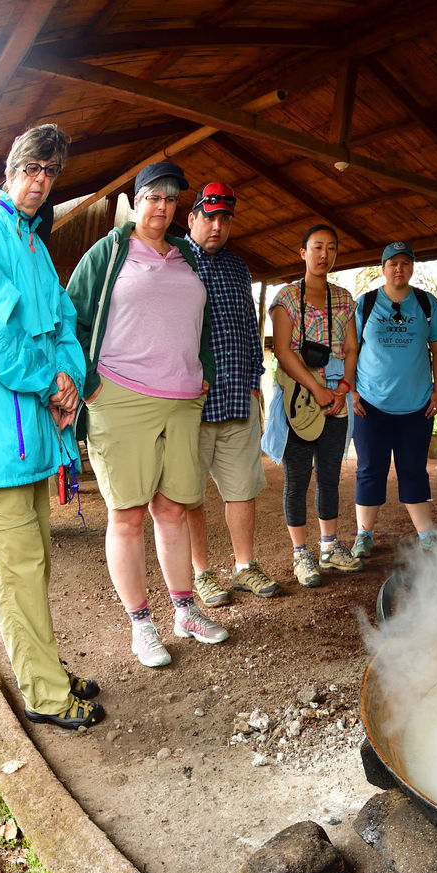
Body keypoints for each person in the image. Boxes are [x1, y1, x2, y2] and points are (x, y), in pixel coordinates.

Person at [0, 123, 106, 731]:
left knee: (34, 558)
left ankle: (45, 666)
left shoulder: (35, 245)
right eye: (32, 168)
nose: (40, 181)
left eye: (49, 173)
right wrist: (50, 382)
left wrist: (68, 377)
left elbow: (65, 321)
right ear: (11, 169)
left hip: (34, 433)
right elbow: (1, 340)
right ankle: (41, 693)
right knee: (15, 567)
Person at [68, 160, 228, 668]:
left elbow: (201, 316)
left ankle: (184, 610)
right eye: (153, 197)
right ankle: (141, 623)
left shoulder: (187, 255)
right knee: (128, 514)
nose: (162, 206)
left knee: (175, 508)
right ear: (136, 201)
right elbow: (72, 314)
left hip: (182, 399)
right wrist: (88, 385)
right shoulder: (111, 250)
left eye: (170, 198)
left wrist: (203, 364)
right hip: (122, 395)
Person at [182, 183, 281, 607]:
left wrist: (256, 378)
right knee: (188, 492)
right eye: (209, 217)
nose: (217, 226)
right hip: (192, 402)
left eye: (224, 219)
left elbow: (247, 326)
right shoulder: (175, 261)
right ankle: (201, 572)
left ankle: (244, 567)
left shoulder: (239, 267)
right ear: (192, 219)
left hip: (238, 397)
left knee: (243, 488)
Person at [262, 224, 364, 585]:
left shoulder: (344, 298)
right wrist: (316, 388)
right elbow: (282, 350)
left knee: (330, 476)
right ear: (303, 253)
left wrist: (343, 387)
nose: (324, 254)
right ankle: (300, 554)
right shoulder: (287, 297)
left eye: (331, 248)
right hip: (299, 396)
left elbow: (351, 348)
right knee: (297, 478)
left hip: (335, 394)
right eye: (317, 247)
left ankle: (330, 546)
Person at [349, 242, 437, 558]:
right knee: (369, 469)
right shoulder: (364, 305)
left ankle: (427, 535)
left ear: (412, 268)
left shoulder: (426, 303)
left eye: (405, 263)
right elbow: (348, 351)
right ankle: (364, 534)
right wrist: (350, 389)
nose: (399, 269)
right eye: (392, 263)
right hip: (370, 405)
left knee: (414, 470)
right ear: (383, 268)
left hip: (417, 405)